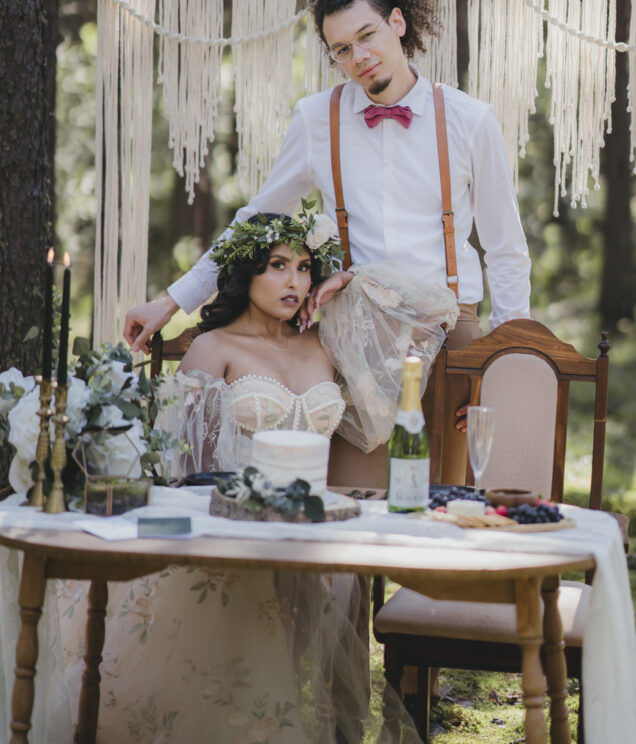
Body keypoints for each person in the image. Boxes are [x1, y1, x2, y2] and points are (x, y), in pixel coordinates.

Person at [124, 0, 531, 485]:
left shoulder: (471, 119)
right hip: (353, 341)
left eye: (367, 36)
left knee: (449, 507)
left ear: (398, 23)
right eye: (342, 49)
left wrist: (500, 361)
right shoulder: (317, 119)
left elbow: (505, 250)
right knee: (348, 503)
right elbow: (257, 219)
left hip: (454, 332)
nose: (358, 57)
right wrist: (172, 300)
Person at [58, 212, 429, 744]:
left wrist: (348, 280)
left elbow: (425, 315)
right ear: (246, 274)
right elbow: (182, 470)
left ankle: (342, 727)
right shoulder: (215, 348)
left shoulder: (325, 344)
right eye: (277, 266)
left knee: (345, 574)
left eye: (304, 269)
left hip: (315, 525)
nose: (294, 282)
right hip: (237, 529)